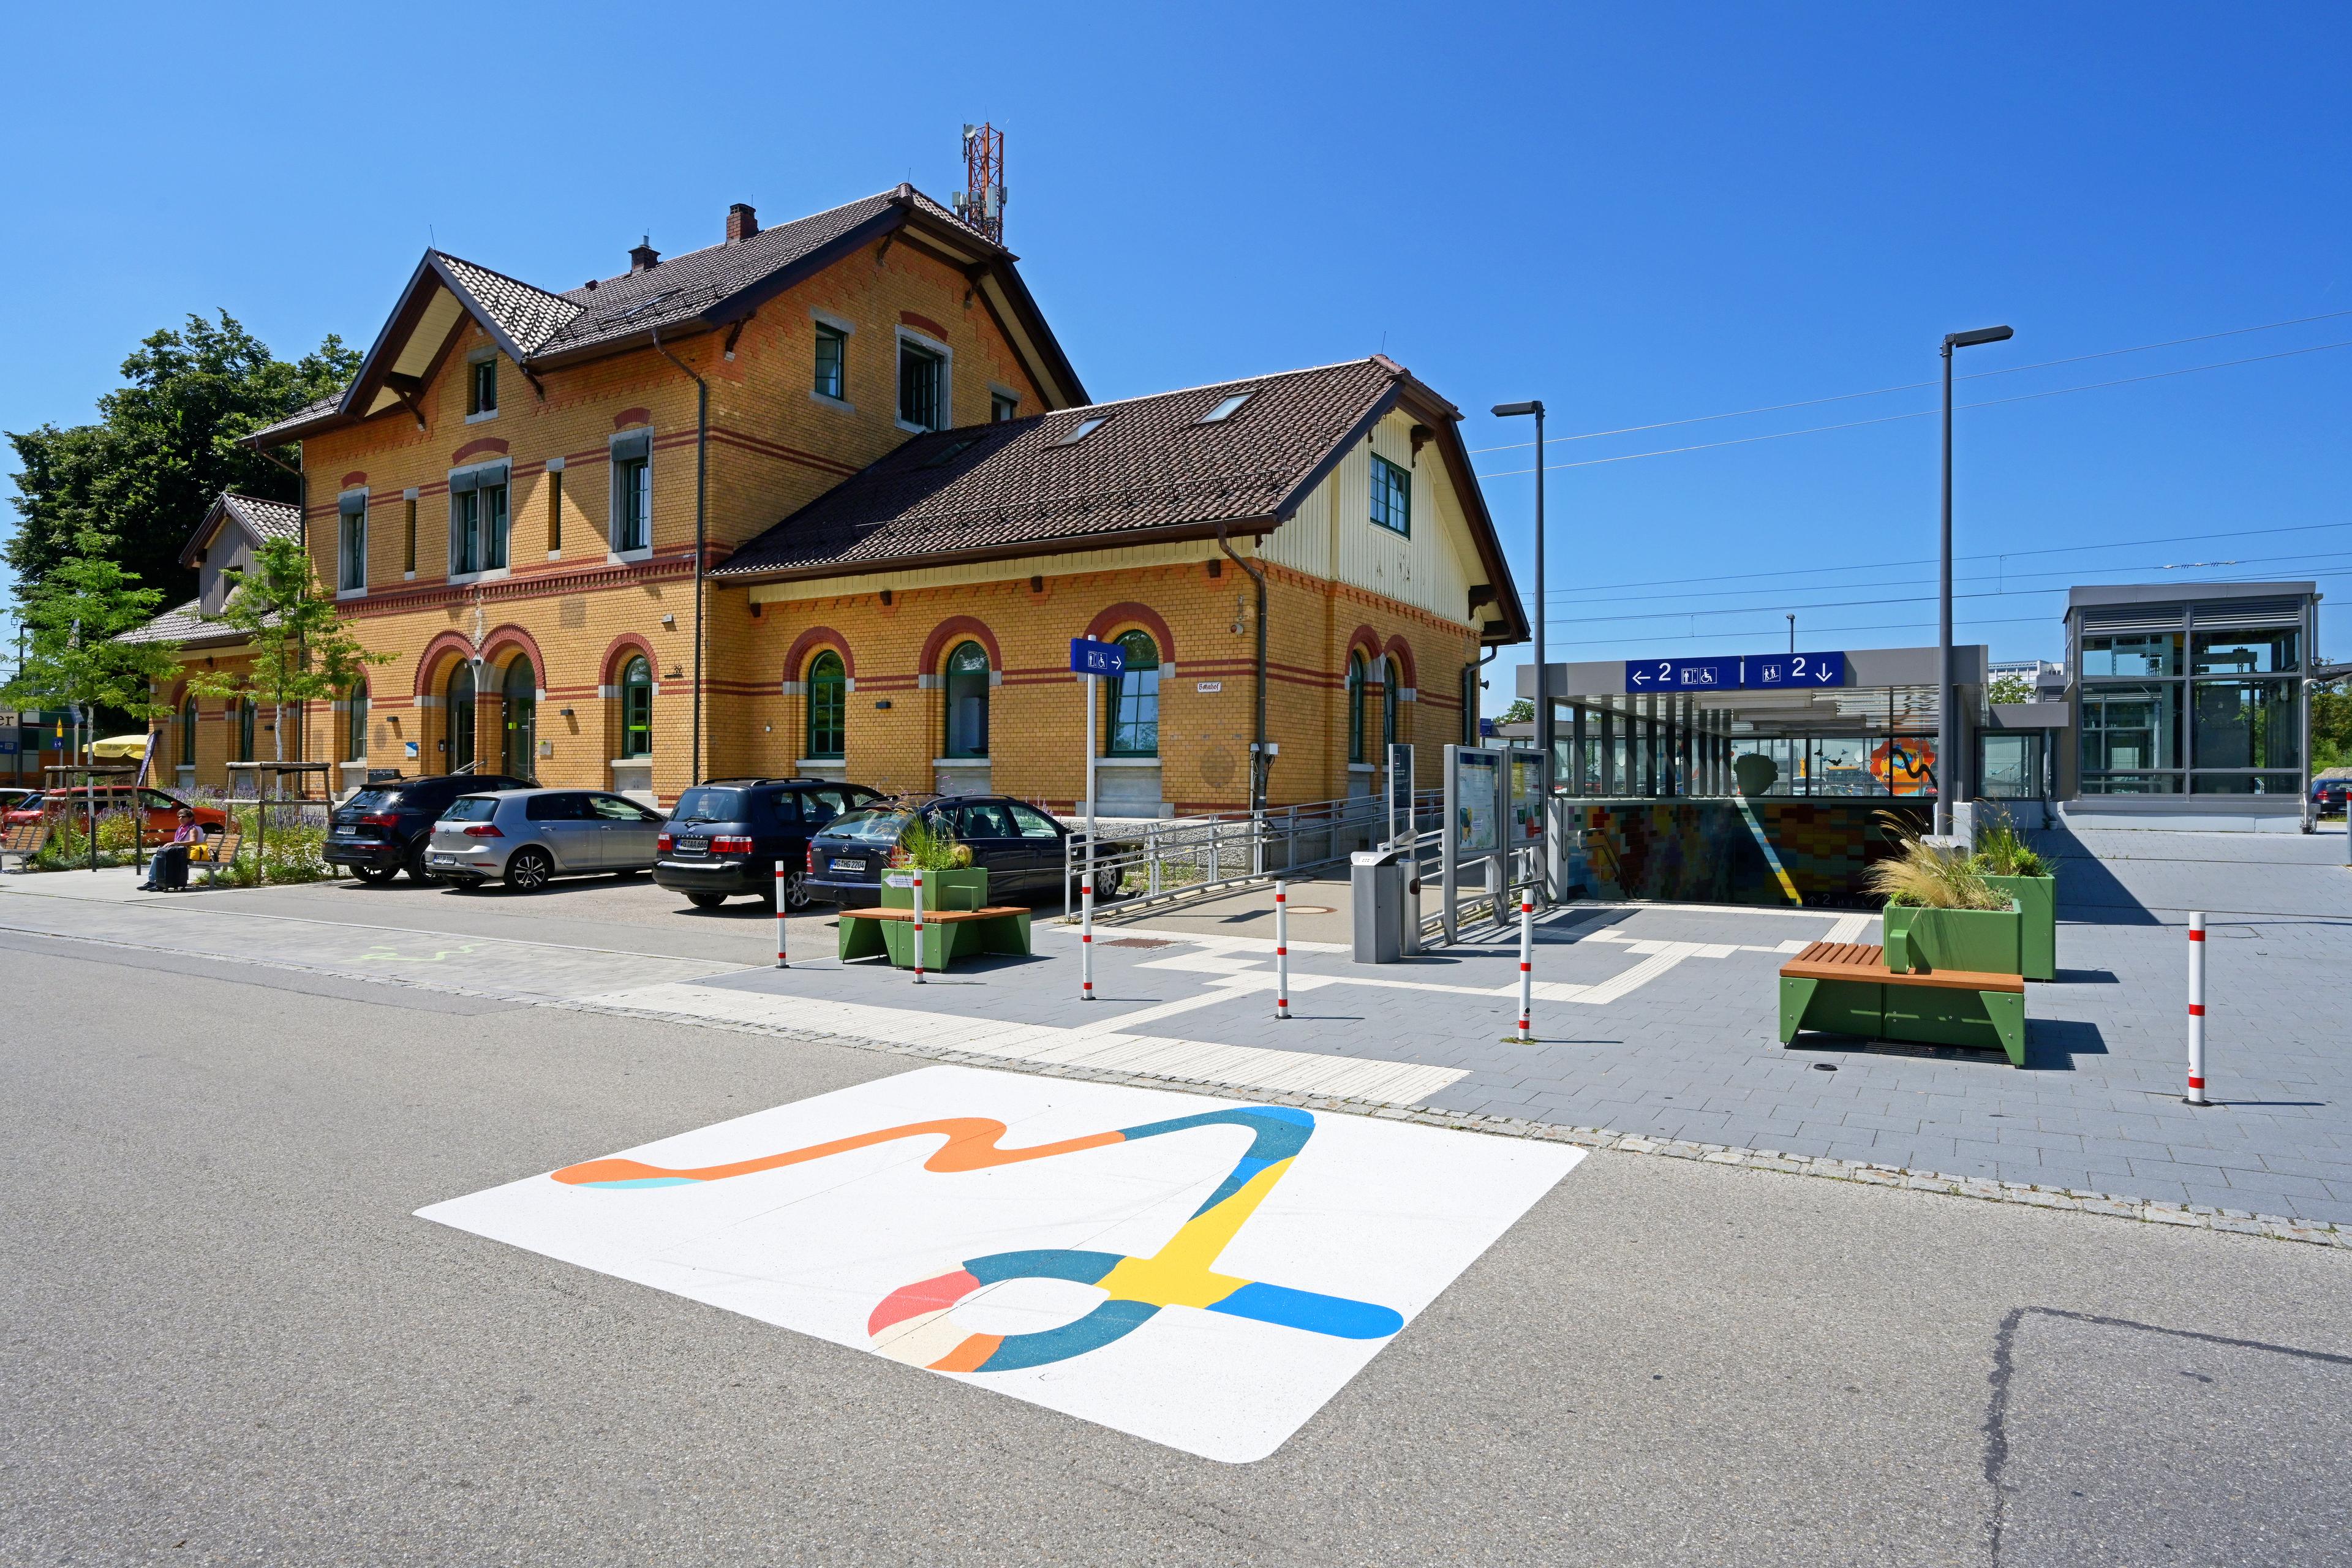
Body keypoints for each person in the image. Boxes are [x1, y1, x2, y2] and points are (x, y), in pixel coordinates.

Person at [142, 809, 203, 892]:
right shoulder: (182, 828)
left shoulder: (194, 828)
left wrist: (176, 843)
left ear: (191, 818)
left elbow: (193, 842)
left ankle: (156, 883)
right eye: (179, 817)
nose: (181, 819)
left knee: (158, 857)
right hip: (182, 852)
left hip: (191, 854)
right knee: (157, 856)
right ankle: (154, 882)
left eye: (183, 817)